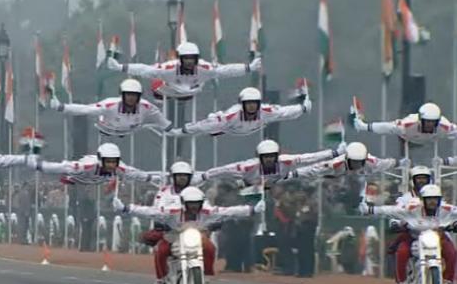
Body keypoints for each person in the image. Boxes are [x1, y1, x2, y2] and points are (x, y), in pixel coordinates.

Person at [113, 187, 265, 284]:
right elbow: (148, 211)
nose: (194, 206)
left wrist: (252, 210)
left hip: (196, 238)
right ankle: (161, 281)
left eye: (196, 203)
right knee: (160, 250)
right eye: (190, 203)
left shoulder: (207, 212)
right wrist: (126, 208)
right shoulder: (172, 212)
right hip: (174, 236)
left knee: (210, 248)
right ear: (183, 202)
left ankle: (205, 280)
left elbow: (229, 211)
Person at [359, 184, 457, 284]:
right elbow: (389, 210)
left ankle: (448, 283)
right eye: (429, 199)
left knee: (451, 252)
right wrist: (369, 209)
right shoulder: (411, 209)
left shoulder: (447, 209)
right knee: (401, 252)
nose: (432, 202)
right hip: (413, 238)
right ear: (422, 200)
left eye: (435, 199)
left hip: (439, 238)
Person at [107, 41, 260, 99]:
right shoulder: (168, 68)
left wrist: (248, 68)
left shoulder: (204, 68)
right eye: (186, 58)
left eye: (192, 58)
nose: (189, 62)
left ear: (196, 58)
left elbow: (226, 70)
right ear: (180, 59)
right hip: (170, 89)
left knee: (216, 74)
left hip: (194, 90)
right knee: (154, 77)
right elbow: (144, 69)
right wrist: (121, 67)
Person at [169, 85, 311, 137]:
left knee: (277, 115)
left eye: (254, 104)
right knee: (212, 125)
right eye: (247, 104)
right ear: (241, 104)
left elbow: (284, 112)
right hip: (230, 129)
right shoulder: (231, 116)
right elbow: (201, 125)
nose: (251, 107)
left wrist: (303, 108)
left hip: (255, 128)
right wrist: (182, 130)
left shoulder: (266, 111)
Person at [49, 79, 172, 137]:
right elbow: (84, 109)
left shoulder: (147, 107)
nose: (131, 98)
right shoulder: (109, 105)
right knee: (91, 110)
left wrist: (168, 127)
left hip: (129, 130)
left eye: (134, 96)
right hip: (106, 128)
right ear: (122, 95)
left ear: (139, 97)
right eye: (128, 95)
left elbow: (159, 118)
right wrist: (61, 107)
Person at [203, 139, 344, 186]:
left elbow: (308, 157)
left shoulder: (286, 162)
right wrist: (205, 175)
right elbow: (224, 170)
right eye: (266, 157)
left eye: (272, 156)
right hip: (250, 186)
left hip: (281, 181)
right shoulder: (248, 167)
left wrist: (333, 152)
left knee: (309, 170)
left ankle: (337, 162)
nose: (269, 159)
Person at [27, 143, 158, 186]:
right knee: (68, 173)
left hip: (97, 182)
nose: (112, 165)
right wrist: (39, 166)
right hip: (78, 178)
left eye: (114, 161)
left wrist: (150, 178)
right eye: (109, 161)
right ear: (101, 159)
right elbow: (61, 167)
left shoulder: (120, 167)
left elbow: (134, 172)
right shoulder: (86, 165)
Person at [353, 102, 457, 144]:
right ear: (420, 119)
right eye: (427, 122)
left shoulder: (446, 127)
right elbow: (386, 127)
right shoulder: (407, 125)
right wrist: (364, 126)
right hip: (408, 138)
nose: (430, 125)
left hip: (431, 141)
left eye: (433, 122)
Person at [288, 142, 402, 179]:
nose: (356, 165)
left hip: (362, 180)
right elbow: (312, 169)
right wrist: (293, 174)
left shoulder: (372, 162)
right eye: (354, 162)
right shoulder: (334, 164)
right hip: (336, 177)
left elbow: (387, 163)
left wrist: (400, 163)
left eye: (359, 162)